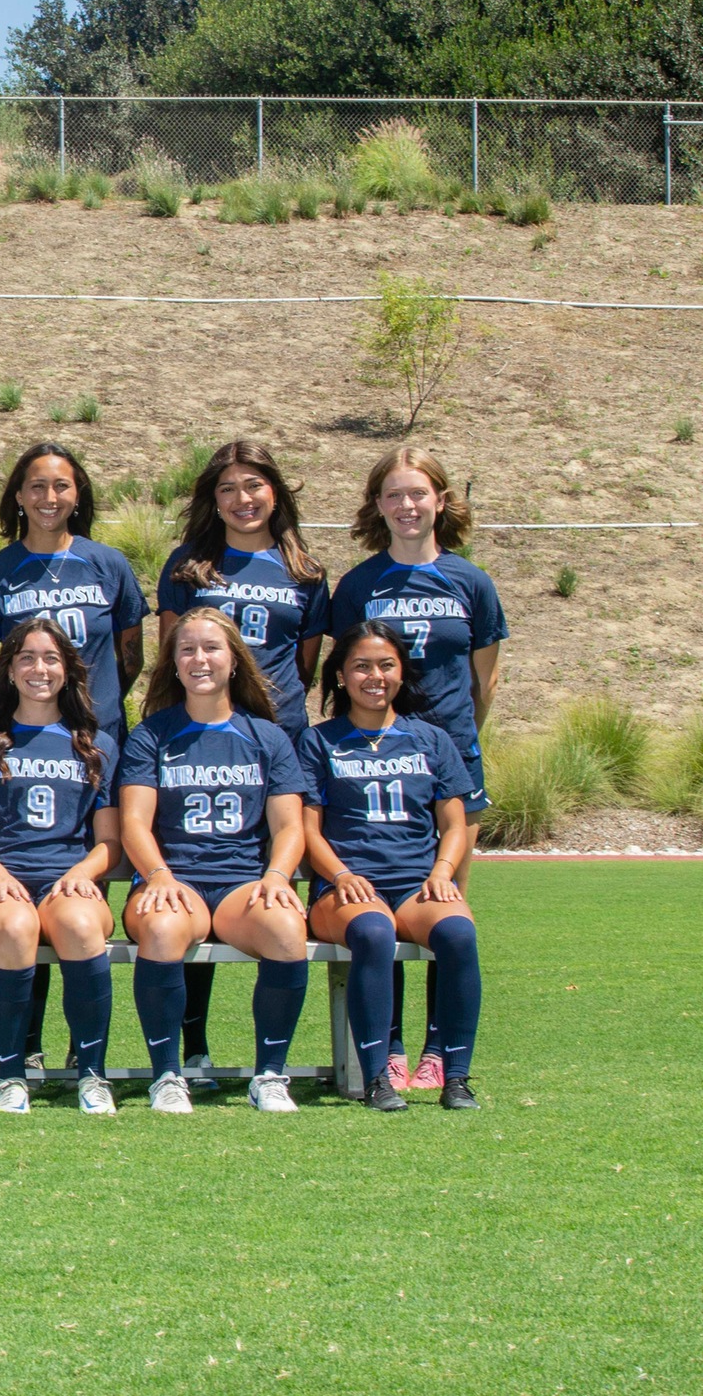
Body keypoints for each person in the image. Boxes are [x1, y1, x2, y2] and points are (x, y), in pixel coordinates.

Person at [0, 441, 145, 1076]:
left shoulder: (108, 564)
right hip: (21, 744)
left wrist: (74, 716)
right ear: (18, 496)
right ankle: (27, 1047)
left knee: (72, 905)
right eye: (36, 487)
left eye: (61, 487)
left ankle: (83, 1052)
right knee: (19, 909)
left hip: (89, 743)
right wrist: (22, 723)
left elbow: (129, 653)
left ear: (78, 495)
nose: (48, 498)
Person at [329, 445, 506, 1093]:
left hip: (446, 762)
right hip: (375, 756)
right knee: (382, 891)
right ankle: (392, 1042)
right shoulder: (358, 586)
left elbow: (483, 679)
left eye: (418, 493)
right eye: (394, 495)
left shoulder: (470, 582)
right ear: (377, 505)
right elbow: (344, 664)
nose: (407, 506)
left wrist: (453, 750)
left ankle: (439, 1046)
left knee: (441, 899)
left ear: (440, 499)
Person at [154, 441, 328, 1086]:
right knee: (196, 863)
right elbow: (172, 645)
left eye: (253, 485)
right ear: (212, 499)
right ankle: (190, 1043)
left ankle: (286, 1063)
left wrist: (261, 711)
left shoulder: (304, 570)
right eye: (228, 488)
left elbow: (304, 663)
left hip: (272, 736)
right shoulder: (190, 565)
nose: (242, 499)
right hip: (198, 732)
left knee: (264, 883)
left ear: (275, 492)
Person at [118, 607, 312, 1116]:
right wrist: (159, 874)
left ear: (234, 660)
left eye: (211, 648)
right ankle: (166, 1075)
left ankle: (269, 1074)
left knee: (288, 930)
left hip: (239, 885)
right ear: (173, 664)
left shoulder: (266, 737)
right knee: (161, 930)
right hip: (172, 879)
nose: (199, 659)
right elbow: (134, 822)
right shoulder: (151, 735)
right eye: (187, 650)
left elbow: (290, 826)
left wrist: (277, 875)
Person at [300, 622, 483, 1112]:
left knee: (460, 936)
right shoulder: (319, 742)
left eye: (386, 665)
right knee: (375, 933)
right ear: (340, 676)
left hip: (416, 882)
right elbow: (307, 829)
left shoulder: (431, 739)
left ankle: (457, 1077)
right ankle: (377, 1077)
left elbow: (455, 823)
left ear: (401, 673)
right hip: (344, 886)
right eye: (361, 666)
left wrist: (442, 872)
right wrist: (340, 874)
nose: (374, 676)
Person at [0, 617, 122, 1115]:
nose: (38, 668)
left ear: (68, 671)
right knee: (15, 921)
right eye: (26, 657)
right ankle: (10, 1076)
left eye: (50, 658)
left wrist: (82, 874)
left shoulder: (97, 744)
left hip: (66, 882)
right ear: (8, 670)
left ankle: (91, 1073)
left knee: (76, 921)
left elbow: (111, 841)